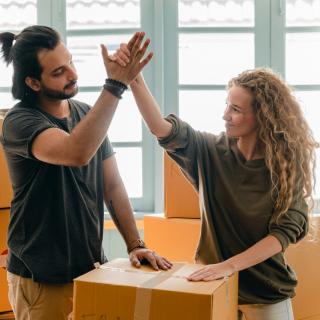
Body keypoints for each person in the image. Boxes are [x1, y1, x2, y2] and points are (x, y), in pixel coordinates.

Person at [113, 43, 317, 320]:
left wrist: (228, 266)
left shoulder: (284, 167)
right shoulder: (209, 151)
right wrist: (134, 80)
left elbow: (281, 235)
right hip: (213, 286)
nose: (225, 115)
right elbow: (160, 128)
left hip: (265, 293)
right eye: (226, 104)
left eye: (235, 109)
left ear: (263, 117)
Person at [0, 26, 172, 320]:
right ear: (33, 82)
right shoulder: (19, 121)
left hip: (91, 269)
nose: (72, 74)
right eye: (58, 72)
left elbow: (113, 185)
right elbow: (75, 153)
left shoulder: (85, 113)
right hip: (41, 278)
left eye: (71, 62)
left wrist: (135, 244)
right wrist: (116, 85)